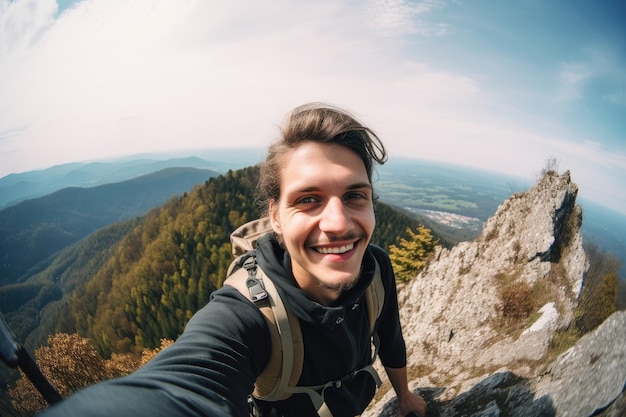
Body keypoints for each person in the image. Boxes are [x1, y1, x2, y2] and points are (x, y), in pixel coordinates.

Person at [39, 103, 427, 417]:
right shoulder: (247, 313)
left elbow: (390, 338)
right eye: (308, 199)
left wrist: (405, 396)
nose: (339, 223)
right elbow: (185, 382)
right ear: (275, 215)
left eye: (355, 196)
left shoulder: (376, 267)